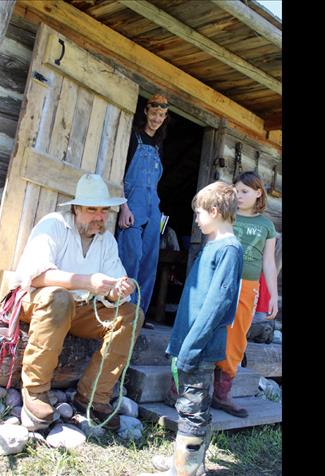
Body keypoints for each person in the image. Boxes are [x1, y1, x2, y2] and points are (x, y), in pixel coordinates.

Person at [8, 173, 144, 432]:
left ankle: (93, 395)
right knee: (57, 296)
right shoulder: (54, 224)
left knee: (131, 314)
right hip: (39, 302)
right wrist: (86, 281)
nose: (99, 217)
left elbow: (113, 292)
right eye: (92, 209)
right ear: (76, 208)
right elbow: (35, 276)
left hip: (79, 309)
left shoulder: (106, 240)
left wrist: (117, 290)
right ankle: (35, 391)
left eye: (104, 210)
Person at [139, 181, 243, 476]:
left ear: (214, 210)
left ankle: (187, 469)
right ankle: (183, 461)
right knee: (188, 404)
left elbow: (217, 305)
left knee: (194, 408)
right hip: (189, 343)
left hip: (200, 347)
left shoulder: (229, 249)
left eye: (199, 213)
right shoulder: (211, 245)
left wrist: (192, 347)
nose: (196, 219)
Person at [212, 171, 278, 418]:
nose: (238, 196)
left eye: (245, 192)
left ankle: (222, 394)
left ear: (258, 193)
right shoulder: (227, 217)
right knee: (209, 329)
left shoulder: (266, 225)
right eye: (236, 191)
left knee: (237, 336)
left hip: (248, 286)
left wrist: (272, 295)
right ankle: (182, 390)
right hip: (221, 281)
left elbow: (269, 262)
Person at [116, 93, 170, 329]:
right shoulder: (133, 138)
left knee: (150, 260)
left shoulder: (159, 145)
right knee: (131, 256)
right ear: (146, 112)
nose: (157, 118)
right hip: (132, 207)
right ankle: (123, 309)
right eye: (154, 113)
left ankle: (140, 314)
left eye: (162, 115)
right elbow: (117, 174)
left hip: (153, 209)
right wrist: (123, 206)